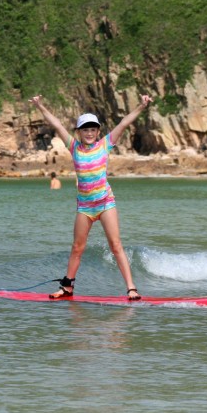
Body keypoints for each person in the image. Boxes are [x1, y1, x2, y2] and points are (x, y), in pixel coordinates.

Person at [31, 94, 152, 300]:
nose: (89, 133)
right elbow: (57, 125)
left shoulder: (105, 144)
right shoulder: (74, 147)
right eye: (85, 129)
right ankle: (67, 287)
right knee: (77, 248)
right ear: (79, 132)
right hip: (85, 208)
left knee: (116, 246)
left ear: (98, 131)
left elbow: (124, 123)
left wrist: (141, 106)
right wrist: (40, 105)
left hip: (105, 204)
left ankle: (131, 288)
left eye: (92, 129)